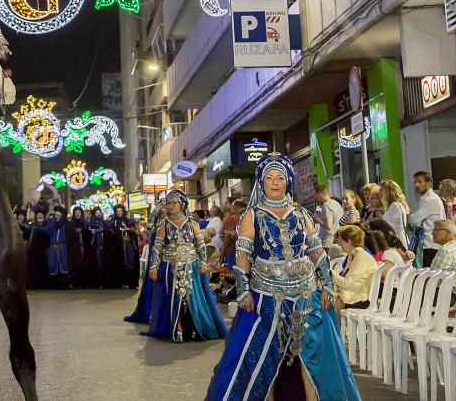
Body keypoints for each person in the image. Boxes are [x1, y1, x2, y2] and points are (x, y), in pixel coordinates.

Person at [205, 153, 361, 401]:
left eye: (280, 177)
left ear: (288, 181)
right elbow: (242, 257)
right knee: (265, 361)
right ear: (262, 182)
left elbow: (317, 253)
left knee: (311, 359)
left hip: (306, 296)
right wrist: (244, 291)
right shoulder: (252, 215)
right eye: (269, 177)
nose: (275, 182)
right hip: (267, 297)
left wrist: (329, 286)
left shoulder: (301, 215)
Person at [146, 189, 227, 343]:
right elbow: (157, 247)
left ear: (182, 204)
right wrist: (153, 267)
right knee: (173, 297)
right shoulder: (164, 224)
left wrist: (203, 263)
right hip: (170, 267)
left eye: (173, 202)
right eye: (168, 203)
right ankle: (177, 328)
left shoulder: (192, 223)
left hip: (192, 266)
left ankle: (195, 328)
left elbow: (201, 245)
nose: (170, 206)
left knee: (192, 298)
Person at [332, 225, 378, 310]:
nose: (338, 243)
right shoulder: (354, 255)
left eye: (340, 239)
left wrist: (329, 272)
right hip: (352, 295)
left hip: (360, 299)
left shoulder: (360, 256)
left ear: (349, 241)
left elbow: (346, 283)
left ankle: (334, 323)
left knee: (331, 299)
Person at [411, 171, 446, 267]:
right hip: (430, 244)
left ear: (428, 183)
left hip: (430, 244)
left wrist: (418, 221)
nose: (417, 185)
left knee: (427, 278)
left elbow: (414, 220)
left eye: (419, 182)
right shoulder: (429, 198)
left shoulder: (430, 199)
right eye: (415, 182)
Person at [108, 204, 139, 289]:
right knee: (121, 263)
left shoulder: (129, 221)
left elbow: (136, 232)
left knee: (131, 262)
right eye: (117, 211)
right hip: (119, 246)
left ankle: (132, 282)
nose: (119, 213)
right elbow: (110, 233)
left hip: (129, 244)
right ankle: (122, 282)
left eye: (120, 211)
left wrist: (128, 229)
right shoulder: (113, 222)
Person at [379, 179, 410, 250]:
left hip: (398, 244)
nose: (379, 193)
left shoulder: (395, 206)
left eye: (382, 190)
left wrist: (381, 224)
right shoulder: (390, 207)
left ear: (389, 191)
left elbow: (397, 227)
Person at [24, 210, 50, 290]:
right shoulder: (32, 227)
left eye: (41, 215)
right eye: (38, 215)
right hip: (33, 252)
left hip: (43, 251)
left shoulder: (47, 226)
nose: (39, 216)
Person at [313, 183, 344, 248]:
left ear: (319, 194)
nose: (316, 198)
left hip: (328, 242)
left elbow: (328, 226)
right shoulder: (336, 203)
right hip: (338, 239)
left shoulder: (326, 205)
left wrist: (317, 218)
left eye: (315, 195)